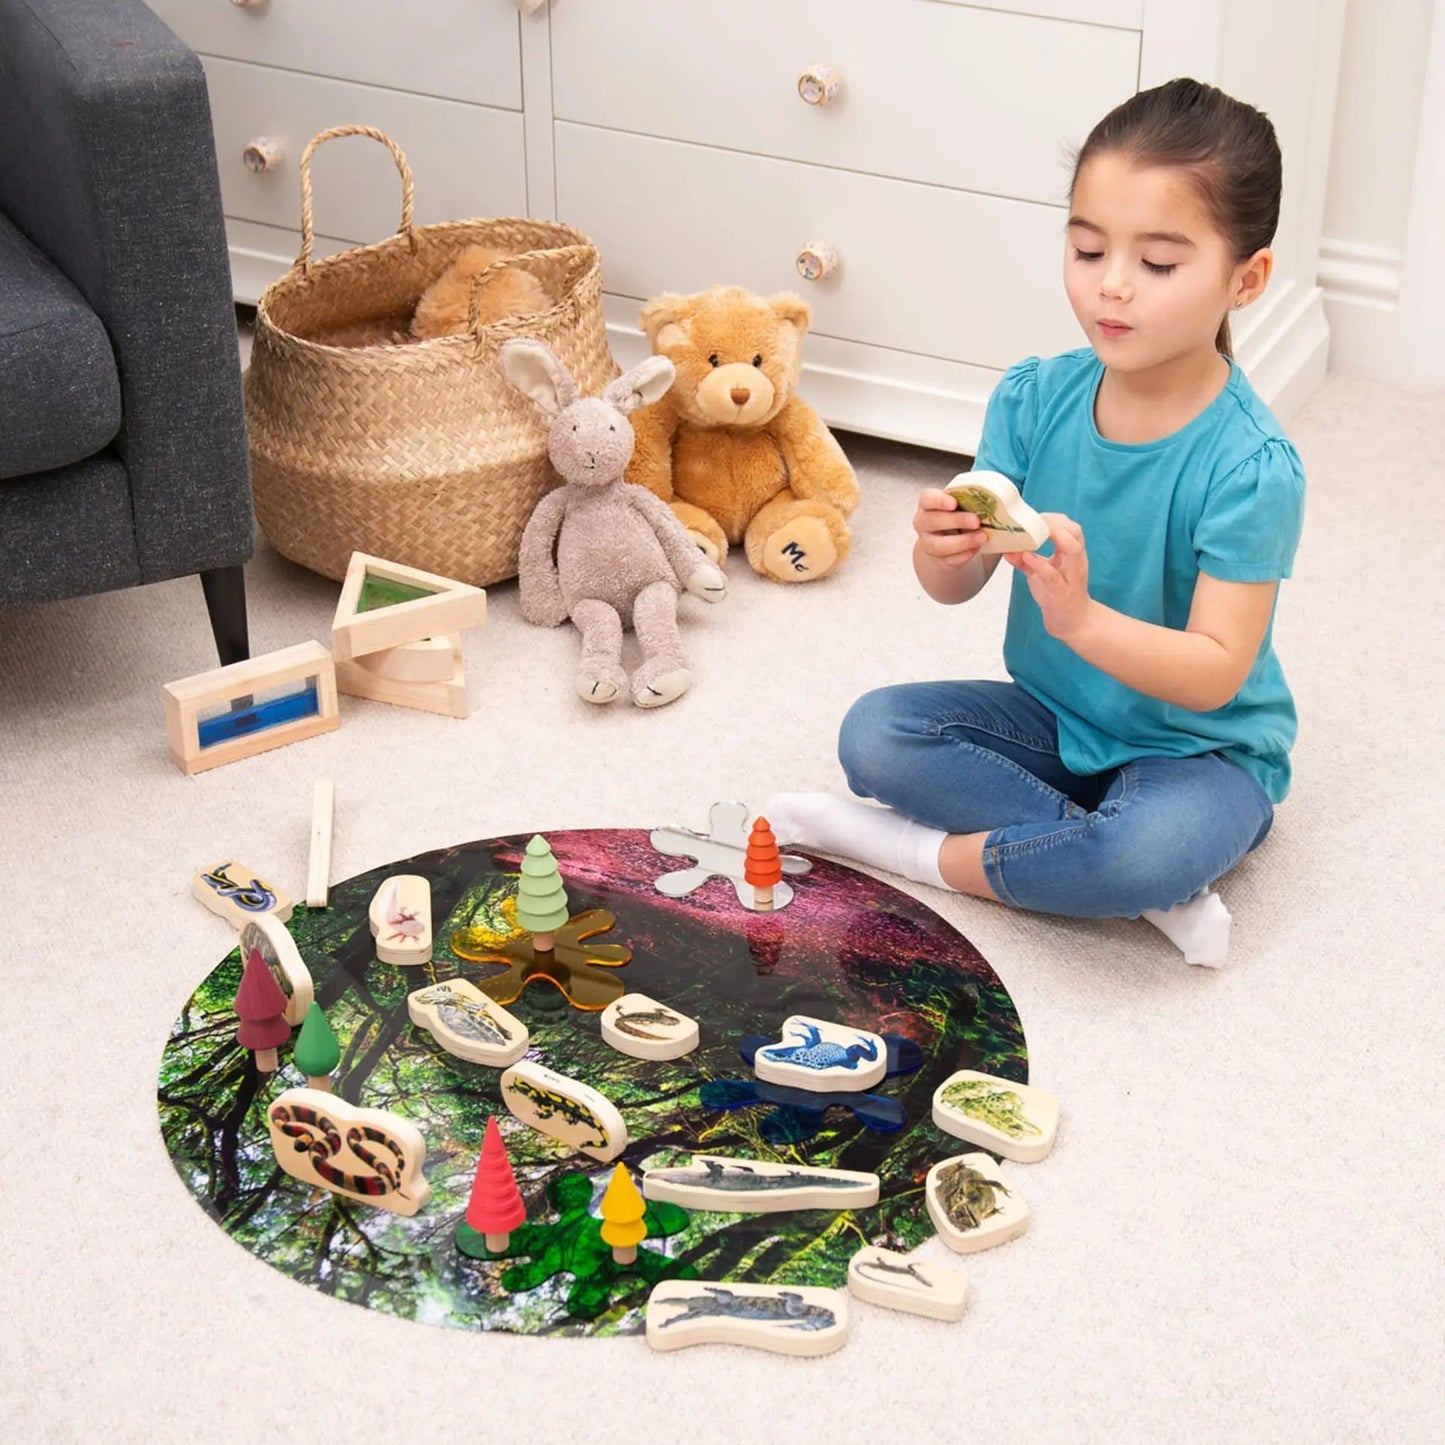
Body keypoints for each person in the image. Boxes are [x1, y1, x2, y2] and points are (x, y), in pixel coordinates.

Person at [765, 78, 1306, 968]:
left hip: (1201, 752)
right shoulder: (1033, 396)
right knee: (875, 734)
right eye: (1088, 249)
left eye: (1159, 265)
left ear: (1244, 279)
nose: (1113, 287)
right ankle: (1112, 878)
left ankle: (901, 852)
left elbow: (1215, 675)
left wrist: (1081, 620)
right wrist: (940, 549)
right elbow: (953, 586)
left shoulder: (1251, 468)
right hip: (1052, 716)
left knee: (1146, 847)